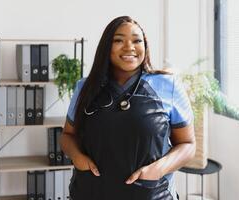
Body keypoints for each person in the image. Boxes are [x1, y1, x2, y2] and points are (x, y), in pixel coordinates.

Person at [60, 16, 196, 200]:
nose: (129, 47)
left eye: (137, 40)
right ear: (106, 47)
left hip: (151, 194)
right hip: (90, 192)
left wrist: (157, 169)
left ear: (145, 46)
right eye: (118, 40)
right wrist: (77, 157)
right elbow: (68, 136)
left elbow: (187, 144)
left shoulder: (167, 86)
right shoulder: (85, 88)